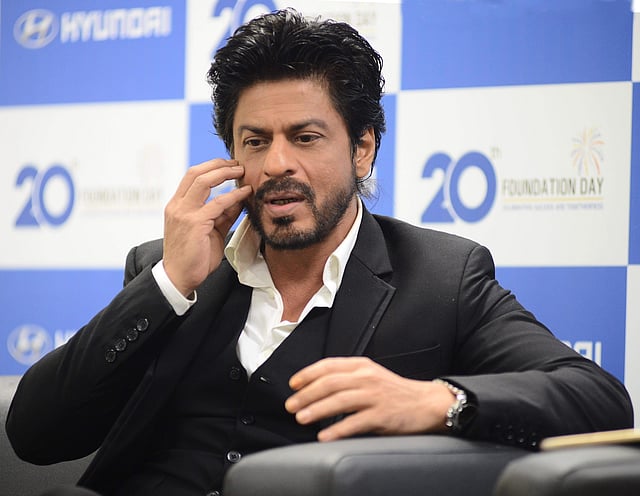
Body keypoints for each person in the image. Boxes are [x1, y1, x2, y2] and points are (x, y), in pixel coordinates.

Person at [6, 8, 633, 496]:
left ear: (362, 150)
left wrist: (437, 401)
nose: (277, 163)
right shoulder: (168, 269)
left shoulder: (443, 276)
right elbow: (35, 435)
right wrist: (168, 284)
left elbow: (599, 399)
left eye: (305, 137)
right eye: (255, 141)